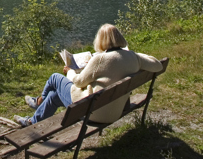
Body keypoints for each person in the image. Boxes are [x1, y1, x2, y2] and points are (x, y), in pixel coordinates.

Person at [14, 24, 162, 127]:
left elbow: (78, 82)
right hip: (113, 111)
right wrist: (133, 54)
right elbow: (157, 64)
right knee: (54, 96)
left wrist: (70, 71)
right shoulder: (132, 58)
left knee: (55, 78)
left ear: (102, 41)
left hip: (92, 112)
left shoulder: (100, 59)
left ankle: (39, 102)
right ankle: (32, 122)